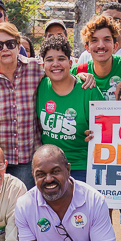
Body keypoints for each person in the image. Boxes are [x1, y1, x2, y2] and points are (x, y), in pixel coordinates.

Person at [0, 23, 95, 190]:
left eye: (10, 44)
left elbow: (59, 67)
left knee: (23, 207)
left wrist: (81, 75)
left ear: (18, 44)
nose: (5, 49)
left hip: (26, 157)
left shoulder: (35, 68)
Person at [71, 14, 121, 241]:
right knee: (103, 205)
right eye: (94, 40)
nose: (100, 45)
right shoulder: (78, 70)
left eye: (106, 40)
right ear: (87, 46)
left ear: (116, 44)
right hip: (97, 149)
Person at [37, 35, 103, 183]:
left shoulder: (88, 89)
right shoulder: (39, 86)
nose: (55, 64)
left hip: (82, 165)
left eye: (61, 59)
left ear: (70, 62)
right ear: (43, 65)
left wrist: (95, 135)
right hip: (49, 165)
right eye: (49, 60)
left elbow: (106, 130)